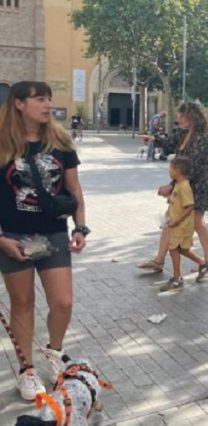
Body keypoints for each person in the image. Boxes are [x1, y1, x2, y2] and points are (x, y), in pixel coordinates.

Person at [0, 81, 88, 400]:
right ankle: (26, 371)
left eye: (49, 98)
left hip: (53, 234)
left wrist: (80, 228)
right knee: (22, 304)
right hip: (13, 236)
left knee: (63, 302)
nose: (47, 104)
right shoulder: (2, 144)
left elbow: (75, 190)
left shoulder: (61, 142)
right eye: (40, 99)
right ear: (19, 104)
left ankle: (54, 352)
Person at [138, 102, 208, 272]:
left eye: (182, 116)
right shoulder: (183, 134)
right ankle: (159, 260)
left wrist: (172, 186)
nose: (178, 119)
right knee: (170, 221)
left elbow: (193, 169)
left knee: (197, 223)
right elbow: (168, 143)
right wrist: (153, 138)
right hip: (183, 187)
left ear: (192, 117)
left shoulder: (200, 140)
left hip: (196, 188)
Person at [160, 156, 208, 292]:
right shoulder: (178, 185)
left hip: (181, 225)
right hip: (177, 223)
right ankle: (203, 263)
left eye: (170, 168)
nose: (169, 171)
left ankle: (177, 278)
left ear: (177, 171)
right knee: (182, 249)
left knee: (173, 248)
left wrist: (176, 220)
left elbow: (189, 206)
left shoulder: (184, 187)